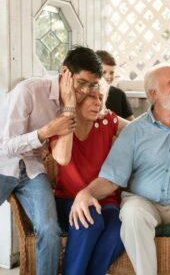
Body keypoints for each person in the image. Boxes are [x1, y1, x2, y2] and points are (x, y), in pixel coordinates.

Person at [68, 63, 170, 275]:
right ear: (154, 94)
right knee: (132, 212)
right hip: (144, 202)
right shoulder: (135, 131)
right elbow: (111, 178)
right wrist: (86, 193)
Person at [0, 46, 102, 275]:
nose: (86, 91)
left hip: (33, 170)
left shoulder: (74, 103)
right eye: (82, 82)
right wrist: (44, 132)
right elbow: (7, 145)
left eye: (92, 85)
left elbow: (64, 157)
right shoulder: (30, 90)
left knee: (49, 229)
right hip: (4, 163)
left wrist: (69, 106)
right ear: (65, 72)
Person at [50, 78, 128, 275]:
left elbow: (139, 129)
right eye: (91, 97)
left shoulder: (107, 120)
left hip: (106, 200)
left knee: (119, 230)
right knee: (89, 218)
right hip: (68, 199)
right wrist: (69, 116)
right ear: (77, 99)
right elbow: (62, 158)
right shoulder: (60, 124)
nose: (98, 102)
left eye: (101, 97)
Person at [95, 50, 135, 120]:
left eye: (111, 73)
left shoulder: (119, 94)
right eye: (104, 72)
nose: (108, 77)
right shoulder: (90, 95)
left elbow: (131, 122)